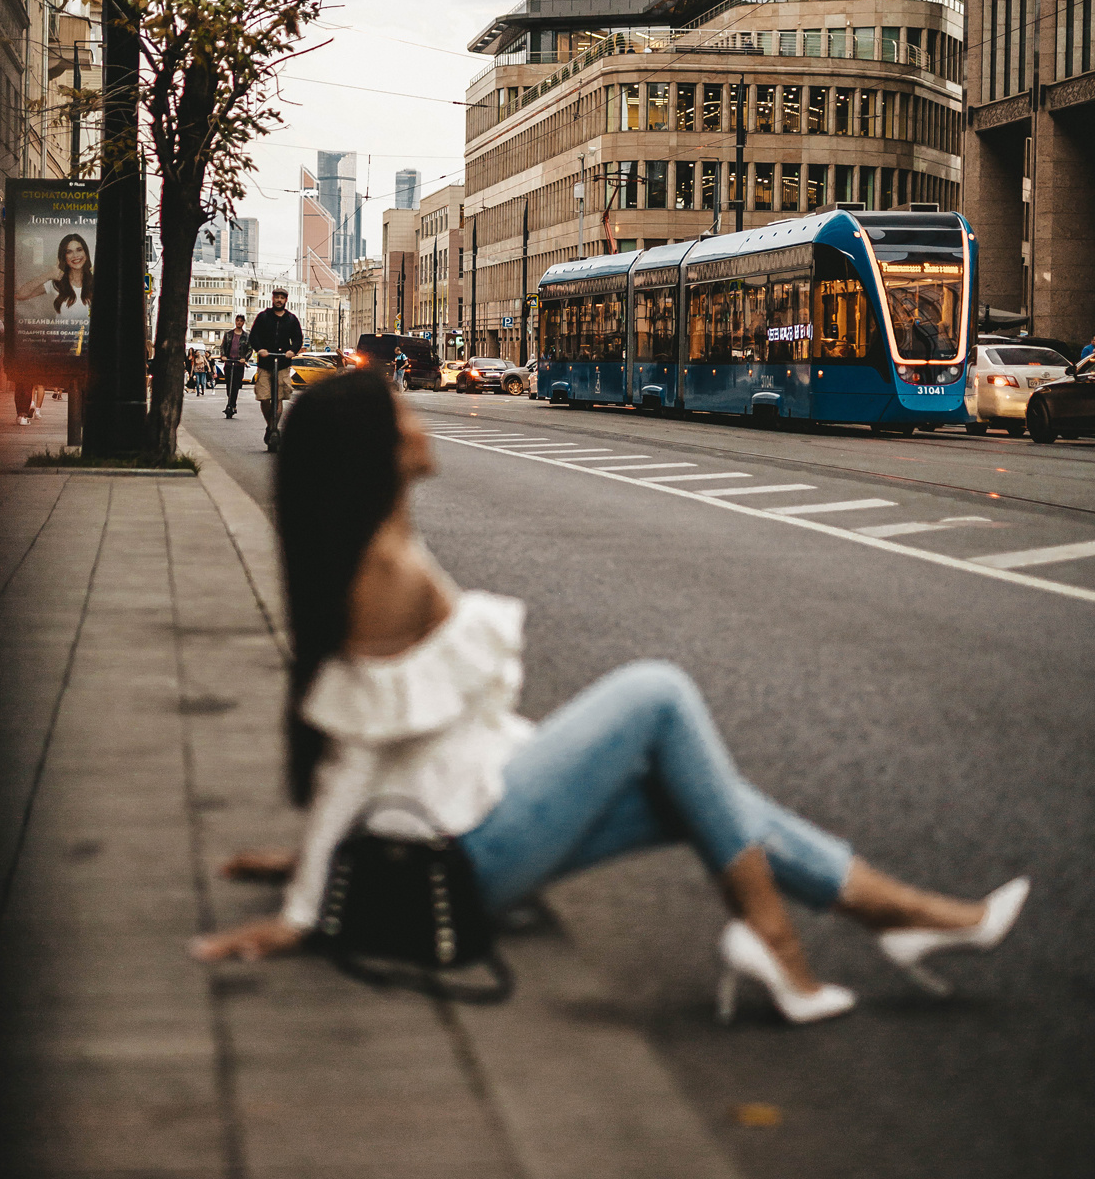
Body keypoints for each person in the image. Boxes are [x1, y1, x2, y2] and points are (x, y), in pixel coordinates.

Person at [191, 375, 1029, 1024]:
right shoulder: (385, 571)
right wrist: (306, 909)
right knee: (656, 695)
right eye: (402, 411)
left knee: (703, 800)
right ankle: (775, 931)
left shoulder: (389, 548)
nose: (419, 418)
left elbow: (369, 743)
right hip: (470, 852)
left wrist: (311, 863)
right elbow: (361, 748)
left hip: (478, 816)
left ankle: (906, 915)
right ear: (377, 445)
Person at [248, 287, 303, 446]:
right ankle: (270, 426)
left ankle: (273, 428)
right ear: (272, 299)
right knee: (264, 397)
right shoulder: (263, 317)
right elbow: (254, 336)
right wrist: (260, 349)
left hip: (283, 365)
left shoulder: (291, 319)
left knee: (278, 398)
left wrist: (292, 351)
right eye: (277, 297)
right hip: (265, 364)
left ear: (286, 300)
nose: (279, 300)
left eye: (282, 298)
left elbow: (298, 338)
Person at [221, 315, 250, 418]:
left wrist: (244, 358)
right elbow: (223, 346)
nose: (239, 323)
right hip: (229, 363)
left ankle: (232, 405)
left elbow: (250, 349)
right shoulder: (228, 334)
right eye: (237, 321)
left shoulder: (246, 336)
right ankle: (231, 404)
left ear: (243, 323)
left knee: (236, 385)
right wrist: (223, 356)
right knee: (229, 385)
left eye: (241, 321)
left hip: (239, 364)